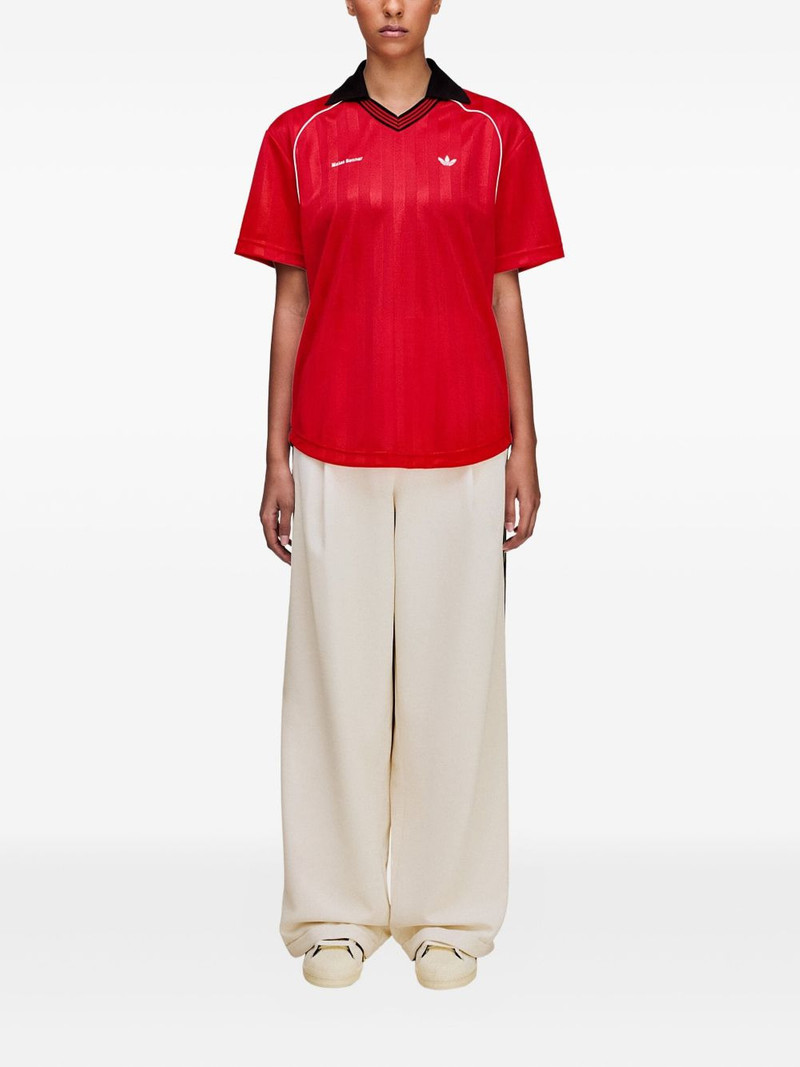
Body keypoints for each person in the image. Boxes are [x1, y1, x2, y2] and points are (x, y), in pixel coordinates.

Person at [234, 0, 564, 990]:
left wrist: (525, 445)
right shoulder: (297, 138)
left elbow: (505, 293)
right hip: (332, 445)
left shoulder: (496, 136)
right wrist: (274, 456)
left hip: (464, 446)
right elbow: (290, 300)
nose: (390, 6)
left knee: (453, 684)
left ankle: (448, 915)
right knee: (332, 686)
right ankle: (332, 915)